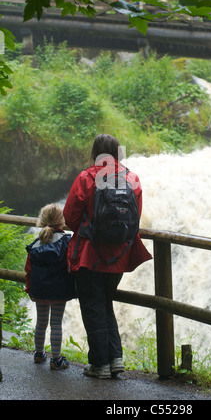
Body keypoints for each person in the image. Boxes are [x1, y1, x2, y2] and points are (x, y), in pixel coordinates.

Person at [63, 133, 152, 379]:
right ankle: (115, 359)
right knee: (105, 304)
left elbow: (70, 216)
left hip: (90, 255)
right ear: (118, 153)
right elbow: (135, 217)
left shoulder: (87, 177)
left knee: (93, 307)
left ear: (95, 152)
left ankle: (100, 364)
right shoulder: (131, 178)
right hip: (121, 255)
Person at [25, 203, 76, 370]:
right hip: (59, 291)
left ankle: (39, 354)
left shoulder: (36, 244)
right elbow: (71, 264)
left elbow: (29, 269)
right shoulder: (67, 241)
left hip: (40, 290)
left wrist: (29, 289)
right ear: (61, 222)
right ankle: (56, 359)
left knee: (41, 322)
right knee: (56, 323)